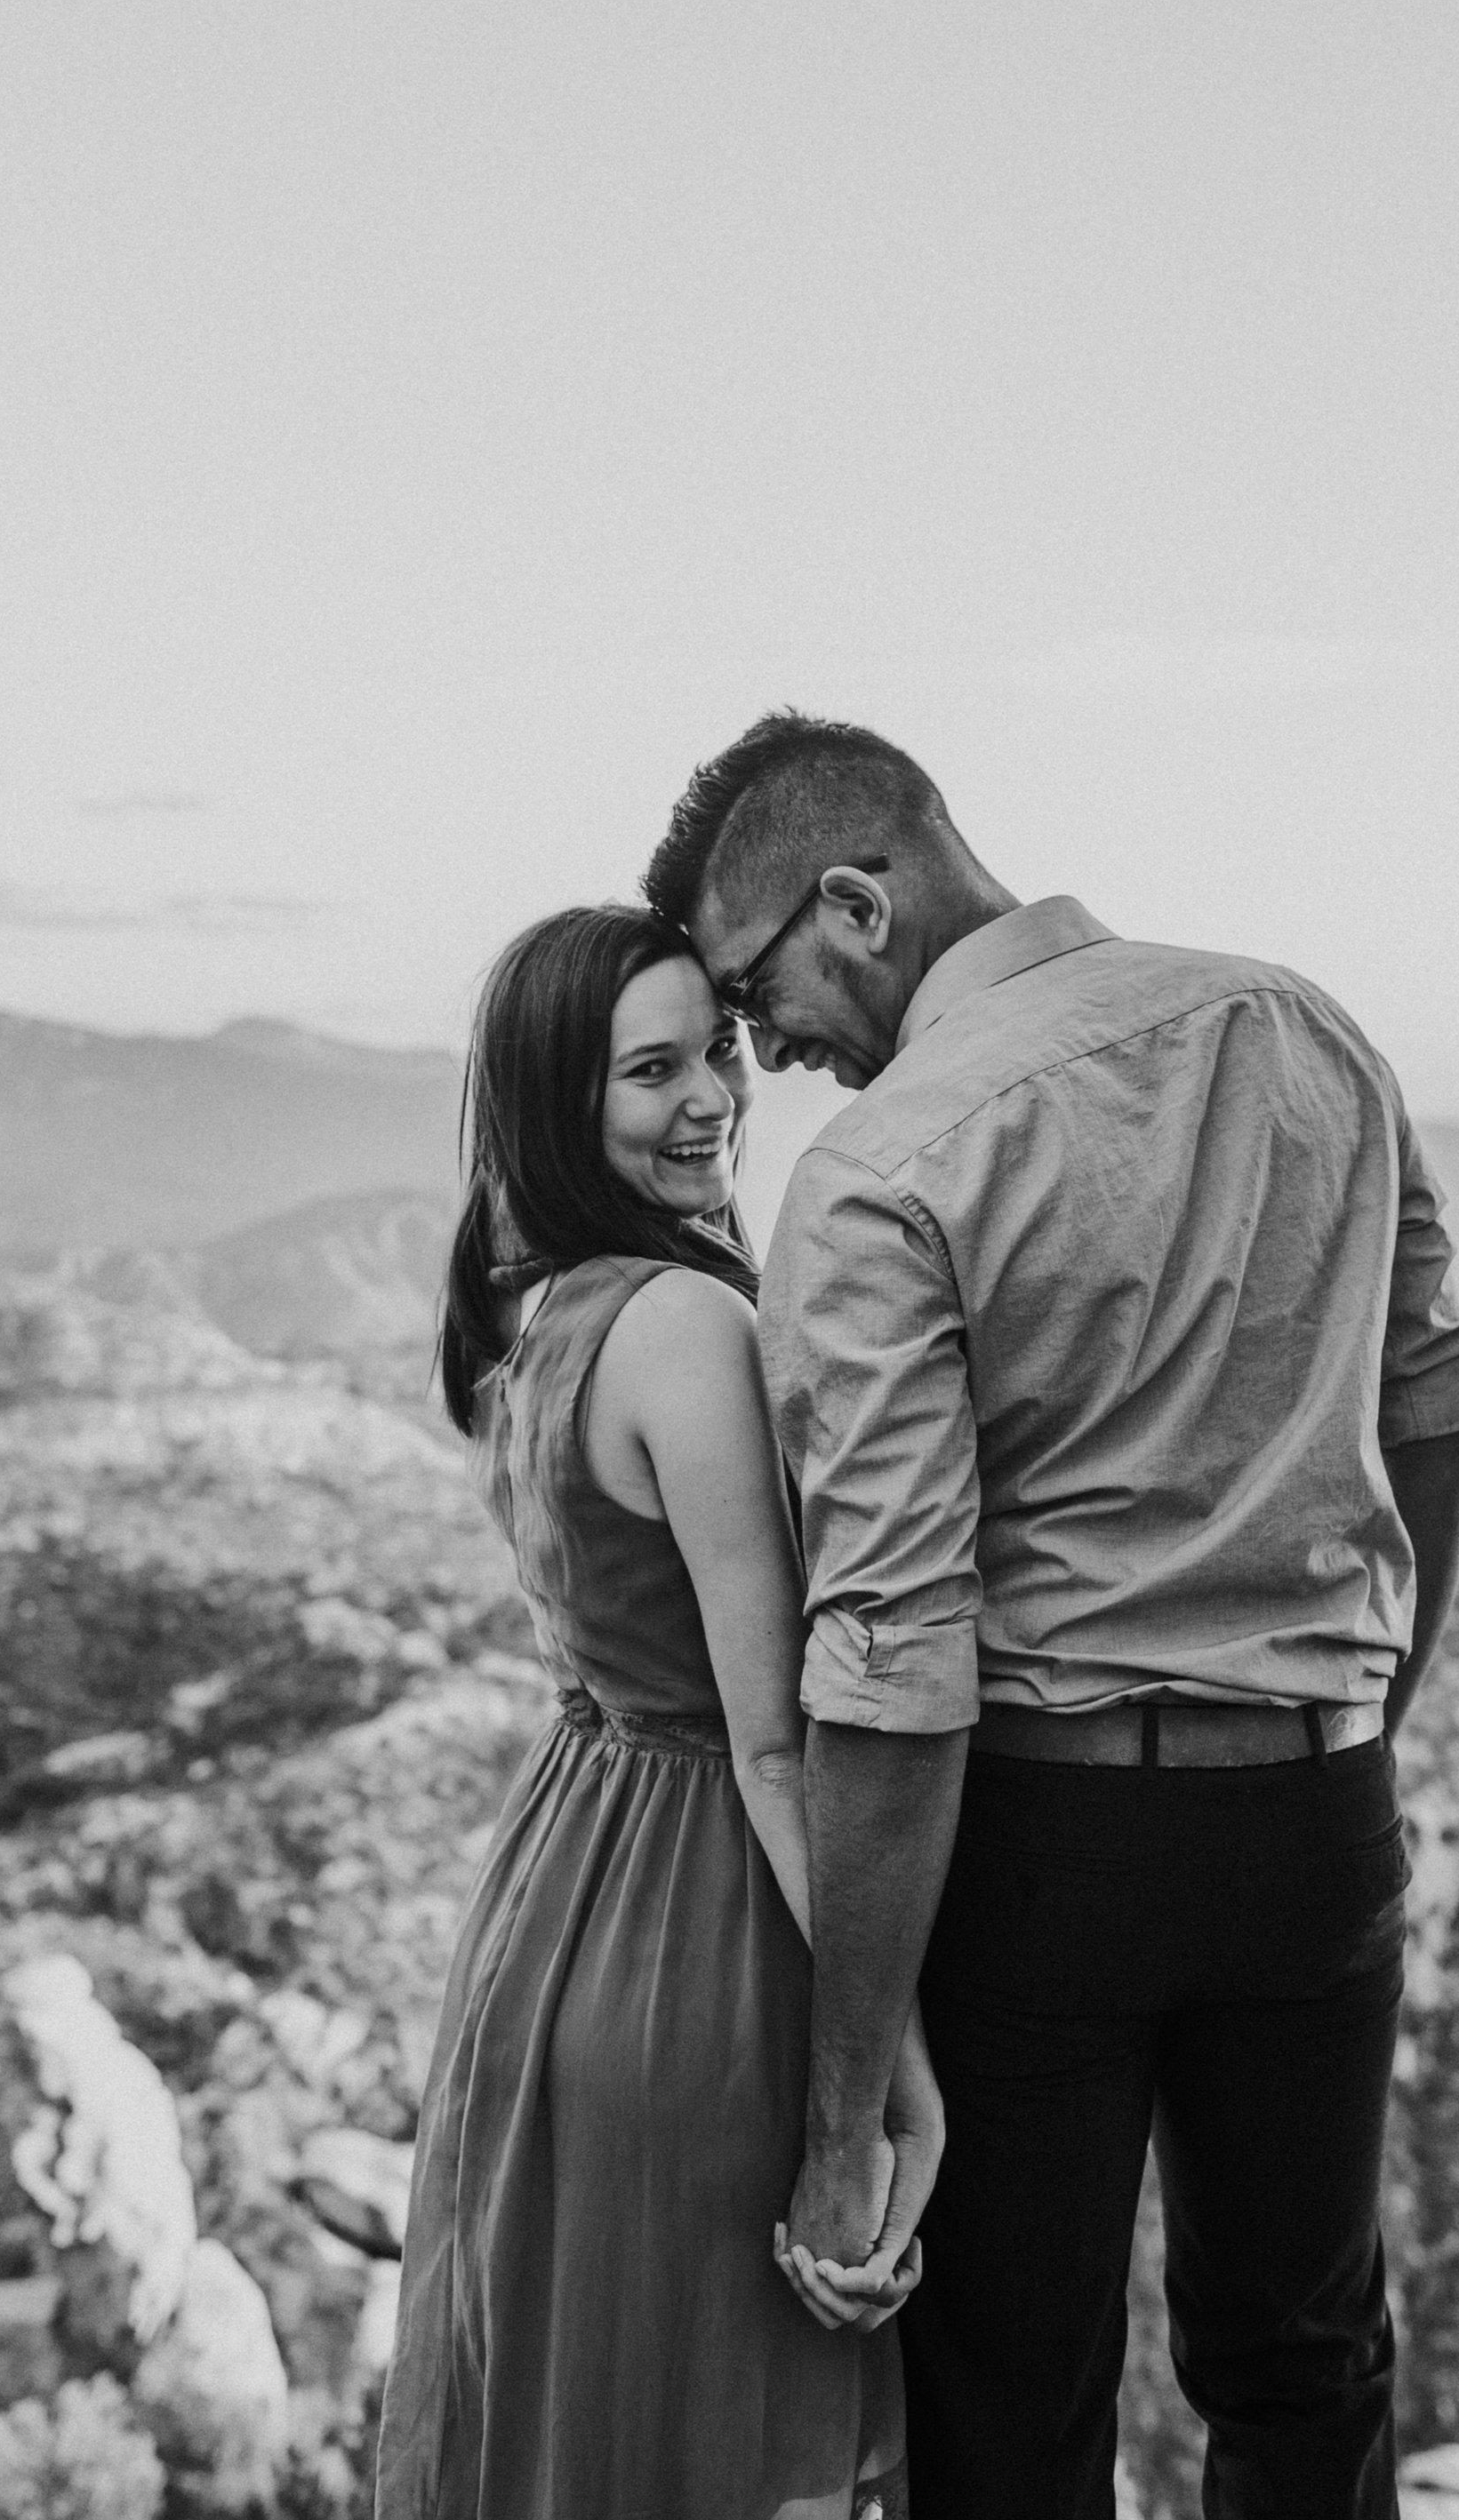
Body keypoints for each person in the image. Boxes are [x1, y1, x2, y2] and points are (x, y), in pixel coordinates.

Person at [645, 715, 1459, 2520]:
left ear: (857, 904)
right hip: (1315, 1817)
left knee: (1011, 2407)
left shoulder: (886, 1169)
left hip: (1042, 1841)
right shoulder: (1300, 1026)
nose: (765, 1045)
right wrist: (1348, 1719)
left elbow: (892, 1660)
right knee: (1301, 2364)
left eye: (755, 985)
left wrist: (845, 2099)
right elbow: (1440, 1418)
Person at [373, 902, 935, 2520]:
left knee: (576, 2418)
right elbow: (772, 1739)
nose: (714, 1096)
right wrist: (893, 2068)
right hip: (705, 1929)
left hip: (561, 1899)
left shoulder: (524, 1312)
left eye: (721, 1050)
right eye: (652, 1070)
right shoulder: (686, 1328)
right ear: (565, 1102)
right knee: (728, 2439)